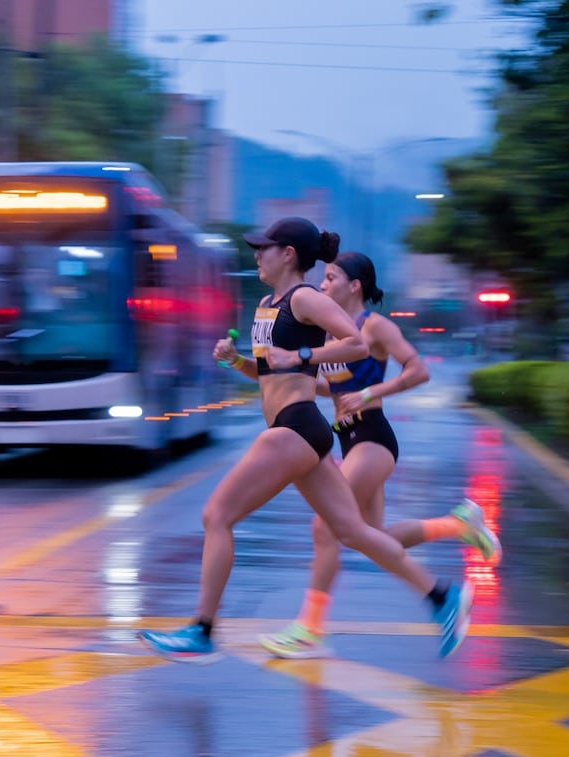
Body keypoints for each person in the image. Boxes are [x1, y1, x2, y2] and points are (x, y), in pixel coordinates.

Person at [137, 217, 473, 664]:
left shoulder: (305, 298)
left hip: (294, 426)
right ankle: (442, 597)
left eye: (264, 248)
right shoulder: (267, 304)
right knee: (352, 531)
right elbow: (268, 372)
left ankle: (202, 630)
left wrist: (302, 353)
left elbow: (355, 343)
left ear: (288, 254)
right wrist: (235, 360)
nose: (257, 255)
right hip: (301, 429)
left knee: (216, 515)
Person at [256, 251, 503, 659]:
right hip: (347, 438)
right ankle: (457, 525)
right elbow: (327, 387)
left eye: (331, 278)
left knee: (325, 527)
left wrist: (370, 393)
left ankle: (309, 629)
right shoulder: (329, 332)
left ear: (354, 286)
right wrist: (255, 366)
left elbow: (418, 370)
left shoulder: (374, 327)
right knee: (369, 538)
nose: (322, 285)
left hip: (373, 437)